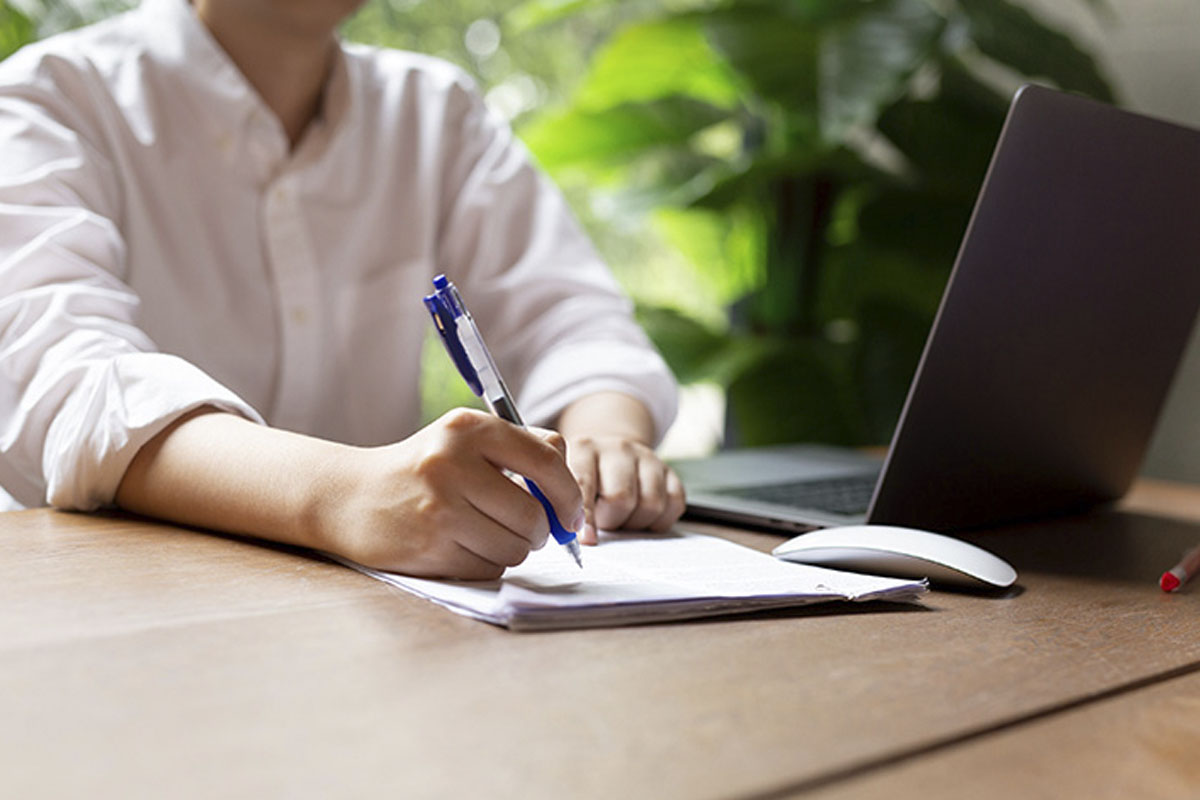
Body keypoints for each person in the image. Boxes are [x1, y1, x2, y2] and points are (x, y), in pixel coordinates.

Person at [0, 0, 685, 579]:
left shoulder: (435, 113)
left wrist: (603, 442)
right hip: (135, 611)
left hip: (395, 627)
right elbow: (68, 382)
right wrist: (343, 496)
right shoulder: (45, 102)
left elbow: (574, 321)